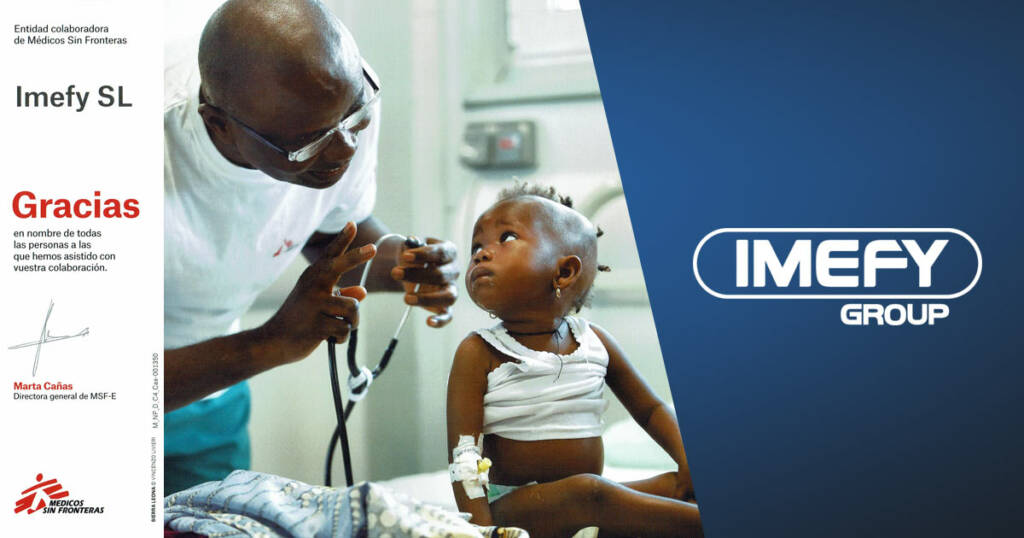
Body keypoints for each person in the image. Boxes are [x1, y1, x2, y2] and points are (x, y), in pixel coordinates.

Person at [163, 0, 459, 494]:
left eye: (353, 119)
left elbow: (328, 231)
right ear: (219, 125)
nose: (345, 149)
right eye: (307, 143)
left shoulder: (336, 94)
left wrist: (400, 264)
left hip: (214, 395)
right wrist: (272, 341)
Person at [446, 184, 703, 538]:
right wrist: (481, 532)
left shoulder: (595, 342)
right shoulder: (479, 351)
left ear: (564, 272)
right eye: (476, 246)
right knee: (590, 492)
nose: (481, 255)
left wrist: (688, 460)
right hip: (515, 510)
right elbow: (465, 455)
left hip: (588, 505)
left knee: (681, 488)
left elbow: (651, 410)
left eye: (506, 238)